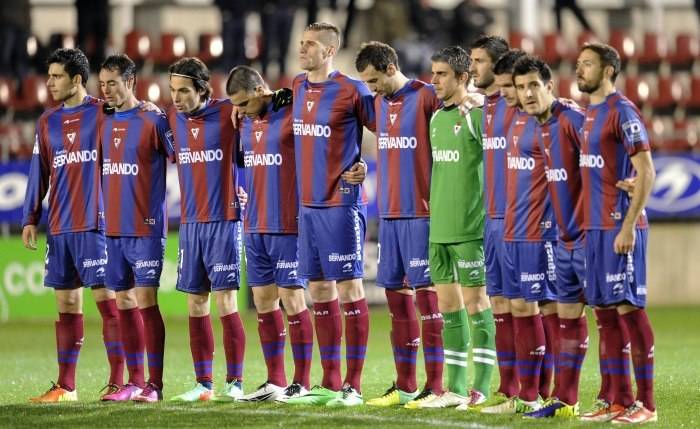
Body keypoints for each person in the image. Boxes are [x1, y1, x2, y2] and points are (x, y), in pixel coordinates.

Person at [23, 48, 124, 402]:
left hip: (96, 223)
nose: (49, 83)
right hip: (60, 225)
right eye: (49, 76)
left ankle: (118, 382)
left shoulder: (104, 112)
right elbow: (39, 170)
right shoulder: (46, 121)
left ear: (76, 79)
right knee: (66, 303)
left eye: (57, 76)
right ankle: (66, 386)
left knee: (107, 301)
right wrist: (30, 217)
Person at [285, 22, 374, 407]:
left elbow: (387, 130)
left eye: (310, 44)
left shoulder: (353, 90)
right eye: (301, 43)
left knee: (350, 289)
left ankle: (353, 385)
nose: (302, 49)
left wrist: (365, 165)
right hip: (307, 206)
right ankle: (329, 381)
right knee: (319, 290)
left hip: (341, 203)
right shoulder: (296, 87)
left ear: (330, 50)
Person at [354, 41, 444, 408]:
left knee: (428, 299)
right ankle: (405, 385)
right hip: (389, 214)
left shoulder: (426, 96)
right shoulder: (377, 103)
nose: (371, 88)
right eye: (366, 82)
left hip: (422, 213)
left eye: (374, 80)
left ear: (391, 68)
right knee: (396, 297)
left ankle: (436, 386)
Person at [576, 43, 657, 424]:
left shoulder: (622, 111)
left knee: (629, 310)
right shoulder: (590, 113)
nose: (580, 70)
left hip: (618, 227)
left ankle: (647, 404)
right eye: (579, 64)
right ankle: (618, 399)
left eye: (588, 64)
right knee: (605, 315)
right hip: (594, 229)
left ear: (608, 70)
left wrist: (628, 225)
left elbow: (647, 170)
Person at [225, 65, 314, 402]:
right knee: (264, 301)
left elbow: (312, 95)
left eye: (244, 103)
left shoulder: (291, 113)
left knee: (293, 299)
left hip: (288, 223)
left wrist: (284, 94)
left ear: (261, 90)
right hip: (254, 223)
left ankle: (302, 382)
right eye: (236, 104)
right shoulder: (244, 121)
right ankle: (275, 381)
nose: (241, 110)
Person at [509, 55, 589, 418]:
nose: (527, 93)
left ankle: (628, 399)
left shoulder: (571, 119)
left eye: (533, 86)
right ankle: (567, 400)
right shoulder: (540, 125)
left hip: (588, 234)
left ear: (549, 86)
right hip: (564, 236)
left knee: (615, 316)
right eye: (521, 87)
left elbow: (603, 158)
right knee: (571, 314)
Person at [482, 54, 560, 415]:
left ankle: (548, 394)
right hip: (512, 227)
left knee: (546, 306)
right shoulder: (512, 119)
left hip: (541, 231)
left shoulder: (553, 120)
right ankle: (527, 395)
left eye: (511, 86)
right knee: (517, 306)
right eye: (505, 87)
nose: (507, 93)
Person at [166, 57, 246, 402]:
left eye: (183, 90)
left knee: (226, 301)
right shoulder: (173, 119)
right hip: (190, 224)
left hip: (224, 220)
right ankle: (203, 384)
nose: (176, 97)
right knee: (196, 303)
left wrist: (245, 187)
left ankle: (235, 382)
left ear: (202, 89)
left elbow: (259, 144)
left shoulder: (230, 112)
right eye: (172, 90)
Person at [420, 45, 495, 409]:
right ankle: (455, 388)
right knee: (448, 307)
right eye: (433, 73)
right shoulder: (437, 118)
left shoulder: (476, 115)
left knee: (477, 303)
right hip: (439, 230)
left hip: (470, 229)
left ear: (463, 77)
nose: (434, 80)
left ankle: (481, 387)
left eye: (442, 74)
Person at [96, 54, 173, 402]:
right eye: (102, 84)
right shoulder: (105, 121)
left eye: (112, 83)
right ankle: (133, 381)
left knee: (145, 299)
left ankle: (155, 385)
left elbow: (185, 156)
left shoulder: (153, 119)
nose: (106, 90)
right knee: (123, 299)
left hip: (146, 227)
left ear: (130, 82)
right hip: (114, 227)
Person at [468, 36, 520, 411]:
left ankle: (537, 389)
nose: (473, 68)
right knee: (499, 302)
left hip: (520, 219)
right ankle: (509, 386)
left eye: (480, 61)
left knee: (529, 305)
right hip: (491, 218)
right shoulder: (483, 107)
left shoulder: (516, 106)